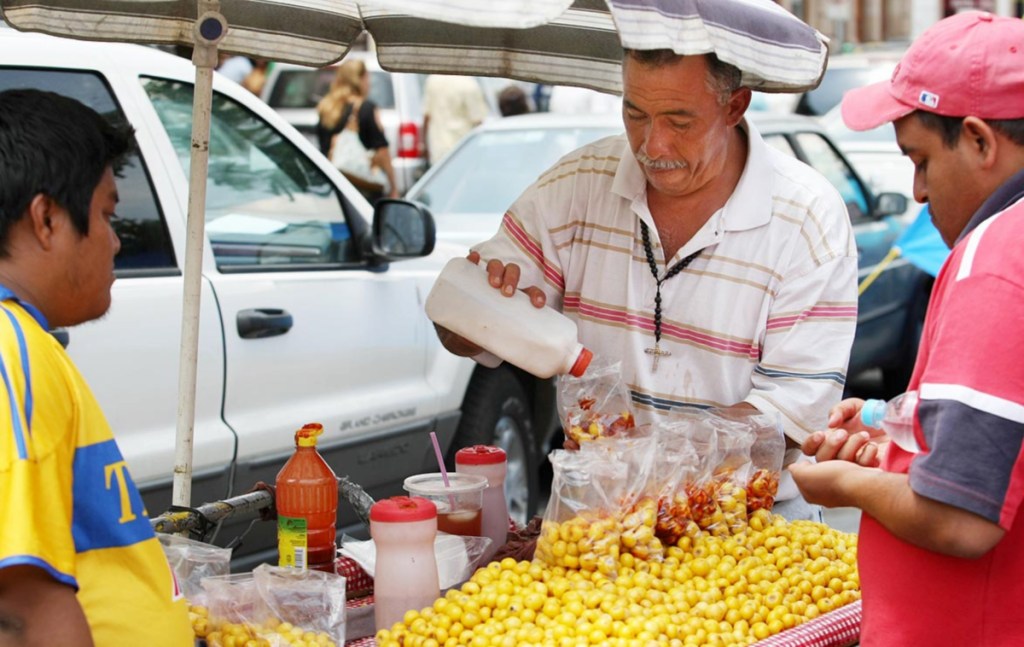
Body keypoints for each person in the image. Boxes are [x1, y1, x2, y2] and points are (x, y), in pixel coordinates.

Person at [435, 48, 859, 520]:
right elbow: (458, 334)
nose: (652, 146)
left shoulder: (806, 219)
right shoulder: (575, 185)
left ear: (735, 106)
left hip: (747, 530)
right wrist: (471, 314)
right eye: (635, 114)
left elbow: (791, 420)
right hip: (597, 526)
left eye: (679, 122)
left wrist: (644, 458)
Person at [788, 11, 1024, 645]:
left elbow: (961, 519)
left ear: (979, 140)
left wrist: (847, 483)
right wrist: (901, 432)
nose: (916, 192)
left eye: (919, 160)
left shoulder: (997, 258)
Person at [0, 89, 193, 645]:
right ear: (46, 219)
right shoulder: (13, 351)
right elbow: (20, 600)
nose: (115, 241)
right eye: (107, 214)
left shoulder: (26, 340)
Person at [316, 59, 398, 201]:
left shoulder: (326, 107)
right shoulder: (366, 108)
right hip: (362, 187)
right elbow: (382, 150)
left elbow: (323, 147)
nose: (369, 82)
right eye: (367, 77)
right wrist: (393, 187)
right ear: (360, 79)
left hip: (335, 184)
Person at [422, 74, 489, 165]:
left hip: (438, 150)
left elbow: (427, 116)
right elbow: (478, 121)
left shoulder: (432, 80)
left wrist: (424, 145)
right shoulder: (469, 84)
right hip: (462, 150)